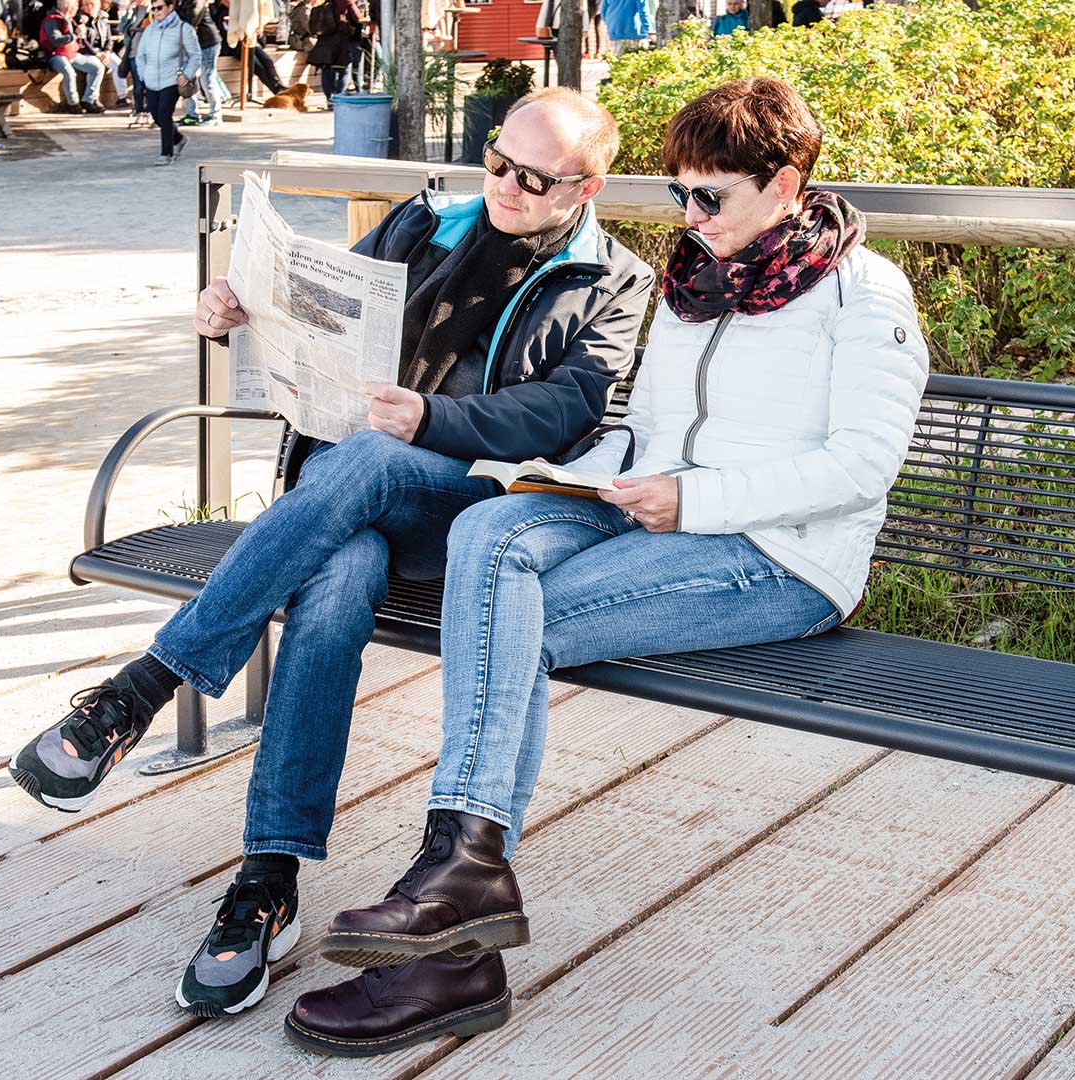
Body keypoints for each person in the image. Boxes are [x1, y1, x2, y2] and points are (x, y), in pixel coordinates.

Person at [294, 75, 928, 1057]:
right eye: (679, 193)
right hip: (653, 521)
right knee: (487, 534)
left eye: (711, 196)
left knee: (507, 614)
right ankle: (462, 894)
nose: (691, 216)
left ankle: (454, 922)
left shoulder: (864, 290)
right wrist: (558, 476)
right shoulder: (694, 285)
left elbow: (862, 468)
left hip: (777, 559)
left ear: (788, 182)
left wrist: (696, 501)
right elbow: (649, 435)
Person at [7, 88, 652, 1020]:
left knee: (381, 458)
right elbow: (319, 313)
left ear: (585, 186)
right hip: (342, 499)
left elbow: (565, 409)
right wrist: (240, 307)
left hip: (467, 508)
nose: (506, 186)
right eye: (498, 162)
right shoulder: (424, 219)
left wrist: (435, 419)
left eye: (534, 179)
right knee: (338, 576)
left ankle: (140, 691)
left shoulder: (612, 280)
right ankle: (267, 884)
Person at [132, 0, 196, 157]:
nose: (156, 11)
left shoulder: (183, 29)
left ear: (170, 7)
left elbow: (195, 55)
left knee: (164, 114)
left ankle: (166, 154)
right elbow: (140, 55)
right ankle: (179, 138)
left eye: (160, 8)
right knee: (155, 115)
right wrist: (143, 74)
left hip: (172, 79)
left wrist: (187, 74)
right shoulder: (149, 30)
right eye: (153, 9)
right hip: (151, 80)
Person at [41, 0, 106, 112]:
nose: (77, 8)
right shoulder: (52, 20)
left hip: (71, 54)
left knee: (98, 67)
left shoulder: (69, 19)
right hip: (55, 55)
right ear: (68, 7)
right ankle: (73, 104)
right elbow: (56, 41)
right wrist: (75, 34)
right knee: (69, 72)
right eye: (75, 6)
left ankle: (88, 100)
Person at [178, 0, 226, 125]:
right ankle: (192, 114)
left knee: (207, 79)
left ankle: (216, 115)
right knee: (186, 78)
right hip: (192, 45)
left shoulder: (196, 1)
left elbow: (191, 20)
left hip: (207, 43)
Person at [304, 0, 361, 105]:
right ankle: (339, 97)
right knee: (345, 70)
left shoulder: (322, 5)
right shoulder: (346, 2)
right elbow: (358, 18)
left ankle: (329, 98)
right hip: (341, 42)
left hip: (324, 42)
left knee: (327, 69)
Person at [75, 0, 130, 103]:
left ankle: (122, 96)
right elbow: (83, 41)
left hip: (102, 51)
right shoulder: (81, 19)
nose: (89, 7)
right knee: (95, 65)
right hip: (87, 51)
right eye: (86, 5)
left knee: (118, 64)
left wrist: (107, 51)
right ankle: (93, 98)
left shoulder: (102, 18)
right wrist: (96, 53)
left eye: (92, 4)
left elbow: (108, 38)